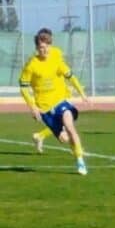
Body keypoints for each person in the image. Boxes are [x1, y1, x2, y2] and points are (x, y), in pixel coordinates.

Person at [19, 29, 90, 175]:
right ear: (37, 48)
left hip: (60, 101)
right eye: (40, 48)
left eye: (46, 47)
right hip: (44, 109)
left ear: (50, 45)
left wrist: (82, 93)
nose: (44, 50)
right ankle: (50, 139)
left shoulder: (56, 57)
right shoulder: (31, 65)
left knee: (70, 127)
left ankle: (80, 161)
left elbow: (70, 76)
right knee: (64, 138)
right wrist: (32, 107)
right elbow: (23, 88)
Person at [27, 27, 64, 153]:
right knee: (62, 121)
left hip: (59, 90)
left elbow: (61, 69)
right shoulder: (36, 59)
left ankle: (40, 136)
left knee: (62, 121)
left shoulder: (56, 52)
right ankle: (40, 136)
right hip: (51, 95)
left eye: (48, 40)